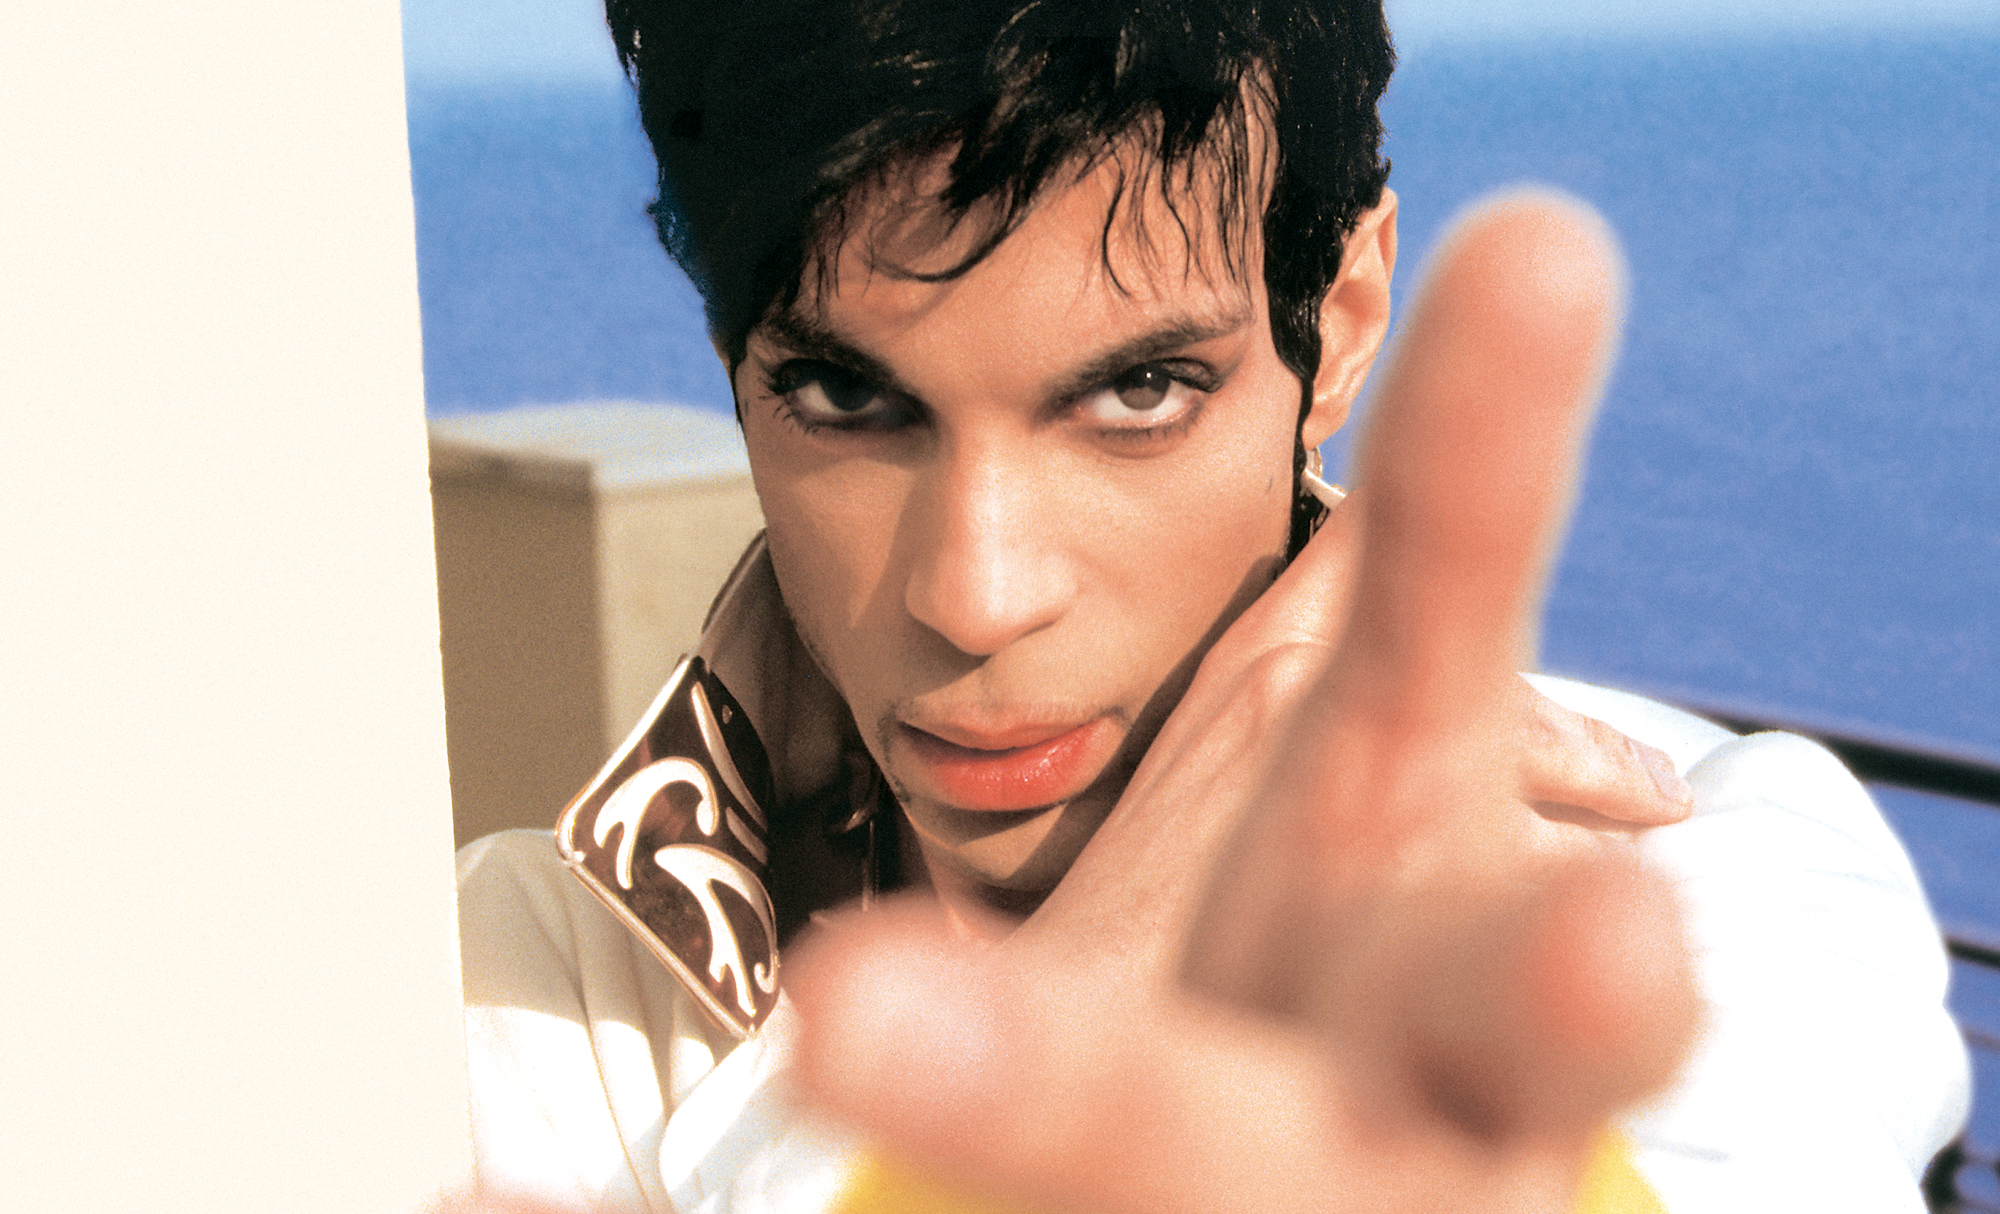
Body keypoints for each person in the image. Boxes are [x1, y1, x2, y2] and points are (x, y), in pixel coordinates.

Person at [452, 3, 1969, 1211]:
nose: (977, 595)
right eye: (848, 394)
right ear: (733, 359)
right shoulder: (504, 974)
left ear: (1346, 323)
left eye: (1138, 390)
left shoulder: (1714, 859)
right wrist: (1098, 960)